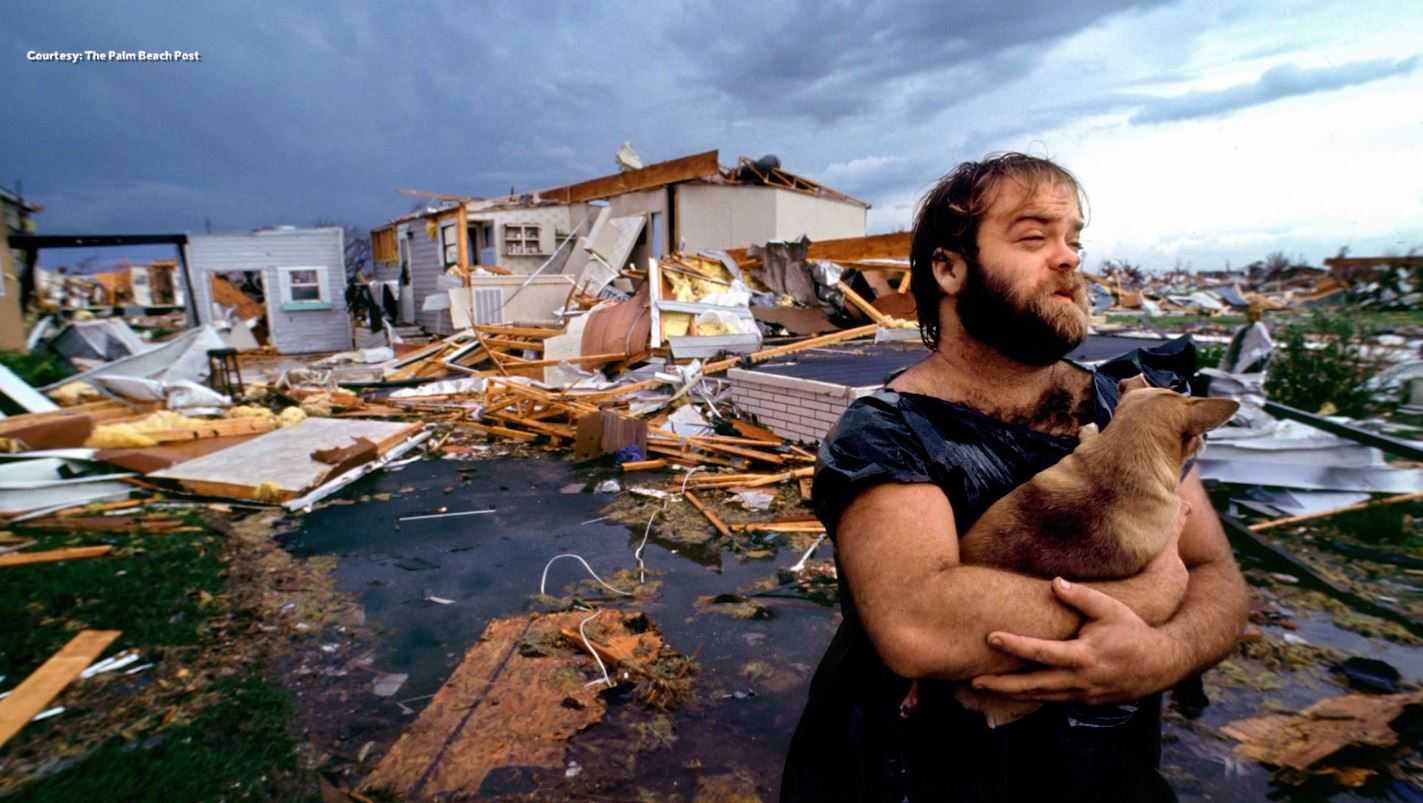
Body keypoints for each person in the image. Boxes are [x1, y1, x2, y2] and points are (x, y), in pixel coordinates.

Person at [780, 153, 1248, 802]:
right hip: (917, 777)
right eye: (1034, 237)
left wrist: (1162, 653)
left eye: (1073, 238)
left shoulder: (1126, 407)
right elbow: (920, 621)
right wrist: (1154, 586)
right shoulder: (887, 430)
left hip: (1100, 777)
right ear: (949, 267)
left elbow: (1218, 575)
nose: (1067, 258)